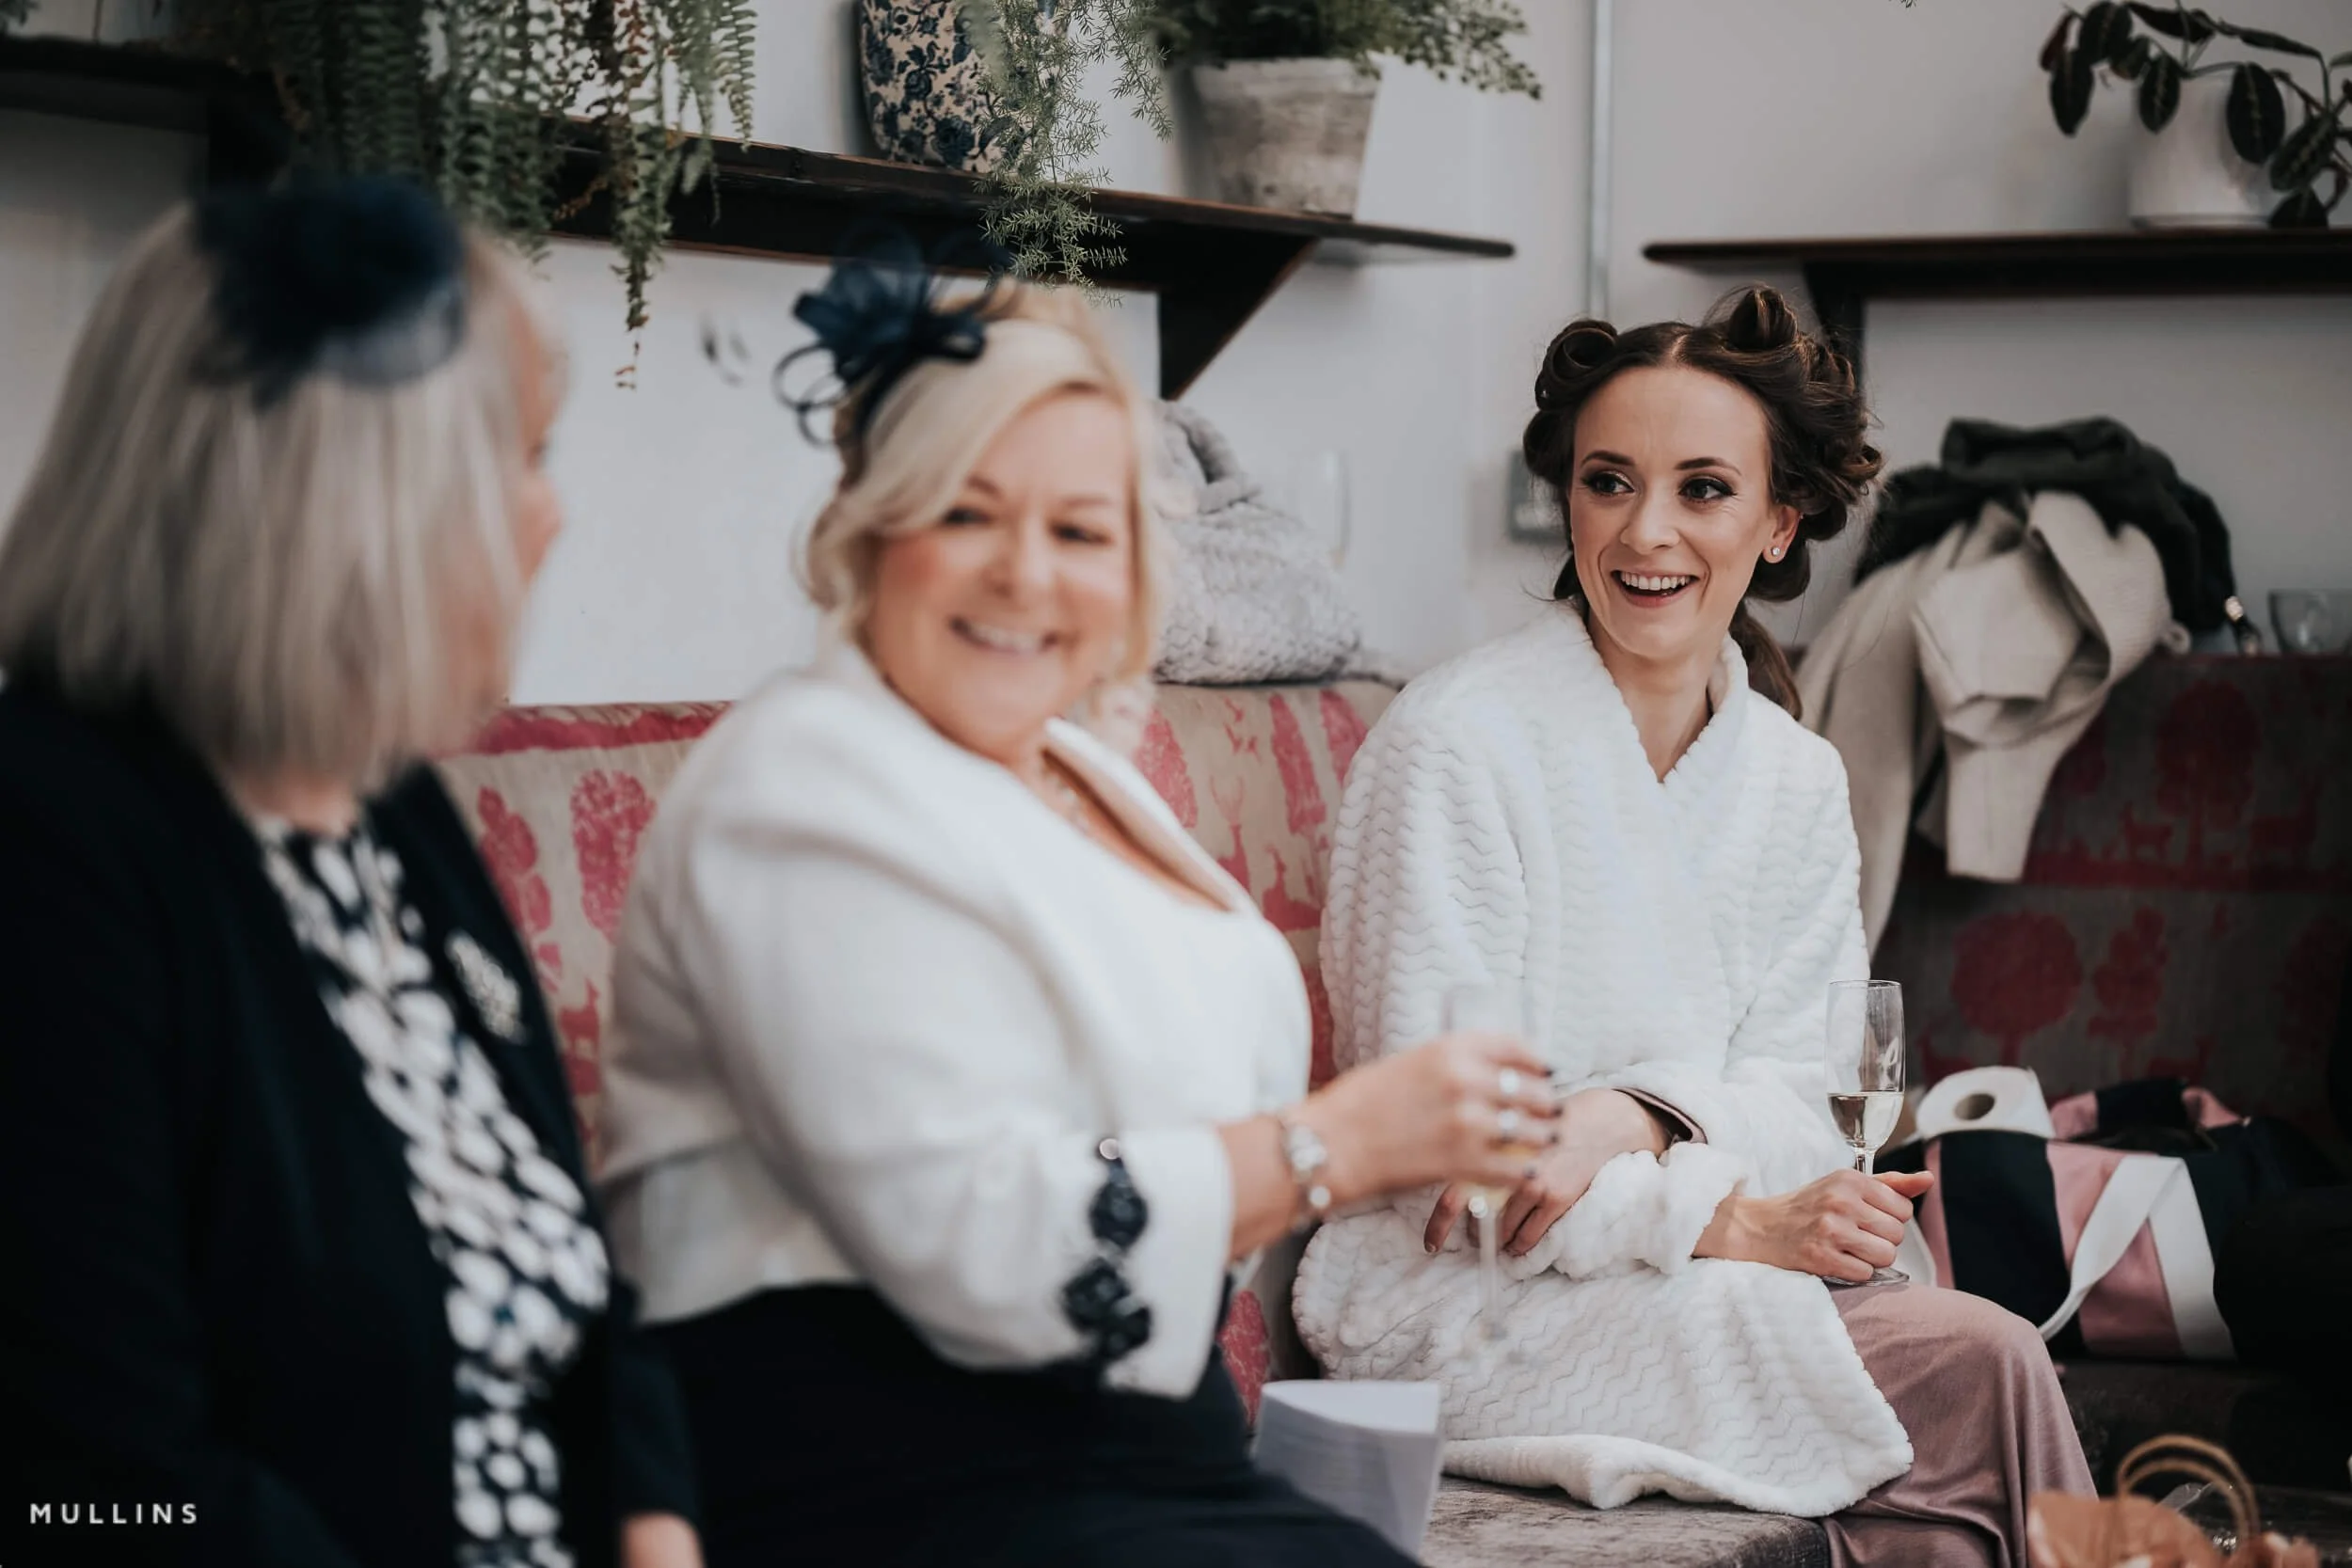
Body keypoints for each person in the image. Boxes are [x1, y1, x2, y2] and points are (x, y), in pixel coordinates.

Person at [596, 260, 1562, 1568]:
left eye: (1080, 531)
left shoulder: (1073, 771)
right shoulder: (799, 783)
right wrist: (1338, 1142)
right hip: (888, 1475)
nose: (1025, 575)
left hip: (1142, 1454)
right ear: (873, 532)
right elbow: (978, 1234)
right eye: (968, 512)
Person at [1292, 287, 2094, 1567]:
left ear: (1779, 523)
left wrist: (1639, 1115)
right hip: (1457, 1301)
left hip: (1689, 1265)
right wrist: (1722, 1222)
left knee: (1942, 1485)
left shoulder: (1794, 778)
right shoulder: (1452, 745)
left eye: (1703, 489)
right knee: (1978, 1362)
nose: (1645, 529)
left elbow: (1809, 1099)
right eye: (1608, 481)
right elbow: (1448, 1159)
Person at [0, 181, 701, 1568]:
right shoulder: (50, 853)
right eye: (521, 458)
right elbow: (92, 1490)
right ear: (358, 506)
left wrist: (656, 1524)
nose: (552, 517)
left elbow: (582, 1287)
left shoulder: (391, 808)